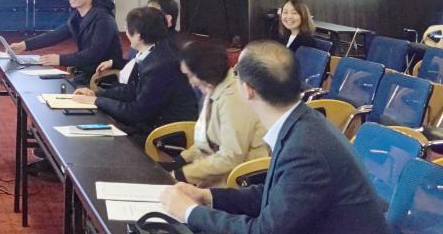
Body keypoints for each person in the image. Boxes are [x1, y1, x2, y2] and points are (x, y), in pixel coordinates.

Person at [159, 41, 389, 234]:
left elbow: (266, 231)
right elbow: (275, 194)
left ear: (247, 90)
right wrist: (209, 197)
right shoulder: (301, 123)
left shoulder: (305, 147)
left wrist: (191, 213)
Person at [72, 7, 197, 141]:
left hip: (164, 135)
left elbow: (136, 113)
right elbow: (132, 90)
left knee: (96, 140)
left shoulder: (160, 65)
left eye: (127, 28)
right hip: (150, 125)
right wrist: (96, 94)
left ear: (138, 35)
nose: (126, 32)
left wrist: (96, 101)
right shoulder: (152, 53)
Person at [162, 40, 267, 188]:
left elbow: (230, 157)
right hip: (218, 173)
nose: (191, 83)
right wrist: (179, 161)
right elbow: (207, 141)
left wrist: (182, 174)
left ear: (204, 72)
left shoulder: (234, 98)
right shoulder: (216, 88)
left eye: (191, 76)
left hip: (238, 182)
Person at [9, 0, 124, 86]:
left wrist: (60, 59)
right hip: (85, 73)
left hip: (102, 78)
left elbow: (94, 53)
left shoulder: (103, 19)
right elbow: (56, 35)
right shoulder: (77, 16)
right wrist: (24, 45)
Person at [93, 0, 181, 88]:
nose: (146, 16)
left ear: (167, 19)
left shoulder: (165, 48)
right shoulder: (147, 39)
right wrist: (113, 63)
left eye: (151, 12)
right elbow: (134, 62)